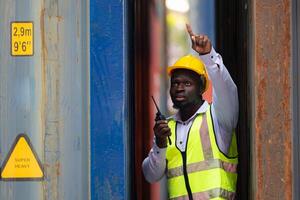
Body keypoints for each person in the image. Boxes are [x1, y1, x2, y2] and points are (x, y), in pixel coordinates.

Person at [142, 24, 239, 200]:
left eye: (187, 84)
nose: (179, 88)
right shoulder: (166, 128)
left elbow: (227, 91)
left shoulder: (218, 119)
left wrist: (208, 56)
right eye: (175, 83)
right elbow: (151, 175)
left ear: (202, 87)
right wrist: (160, 145)